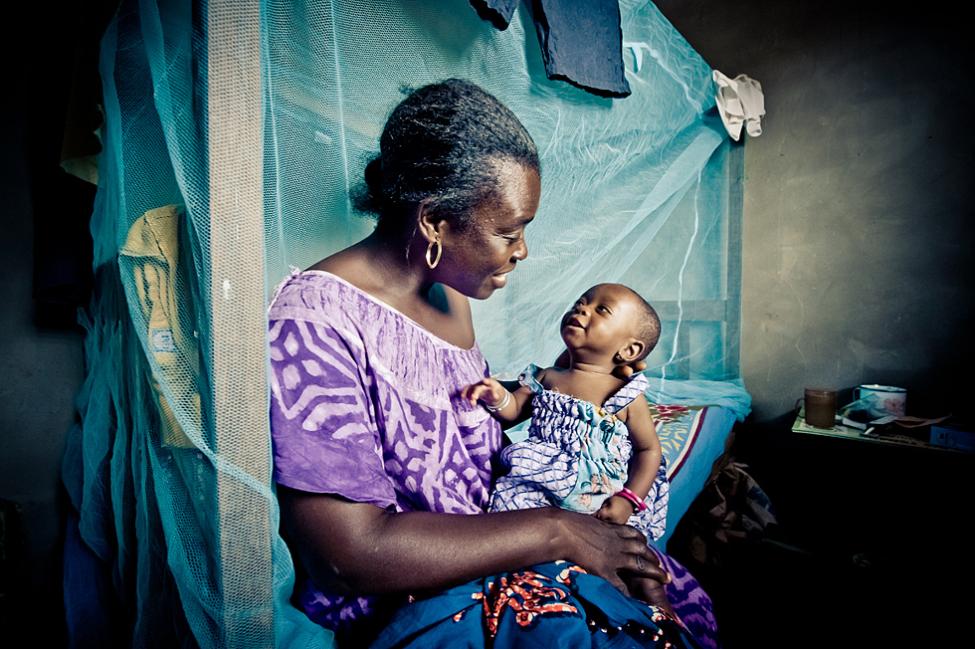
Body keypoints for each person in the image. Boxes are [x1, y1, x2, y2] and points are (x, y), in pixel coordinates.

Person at [269, 79, 718, 647]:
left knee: (659, 599)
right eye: (509, 231)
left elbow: (458, 416)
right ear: (435, 221)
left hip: (501, 529)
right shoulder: (314, 322)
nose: (522, 250)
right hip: (417, 578)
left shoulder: (447, 290)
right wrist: (555, 530)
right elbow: (349, 556)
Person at [466, 283, 672, 612]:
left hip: (604, 496)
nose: (582, 309)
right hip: (543, 487)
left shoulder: (626, 394)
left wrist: (628, 500)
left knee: (635, 559)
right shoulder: (547, 376)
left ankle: (662, 615)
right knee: (511, 530)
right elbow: (514, 410)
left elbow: (649, 451)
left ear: (629, 351)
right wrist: (496, 396)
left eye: (601, 310)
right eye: (580, 302)